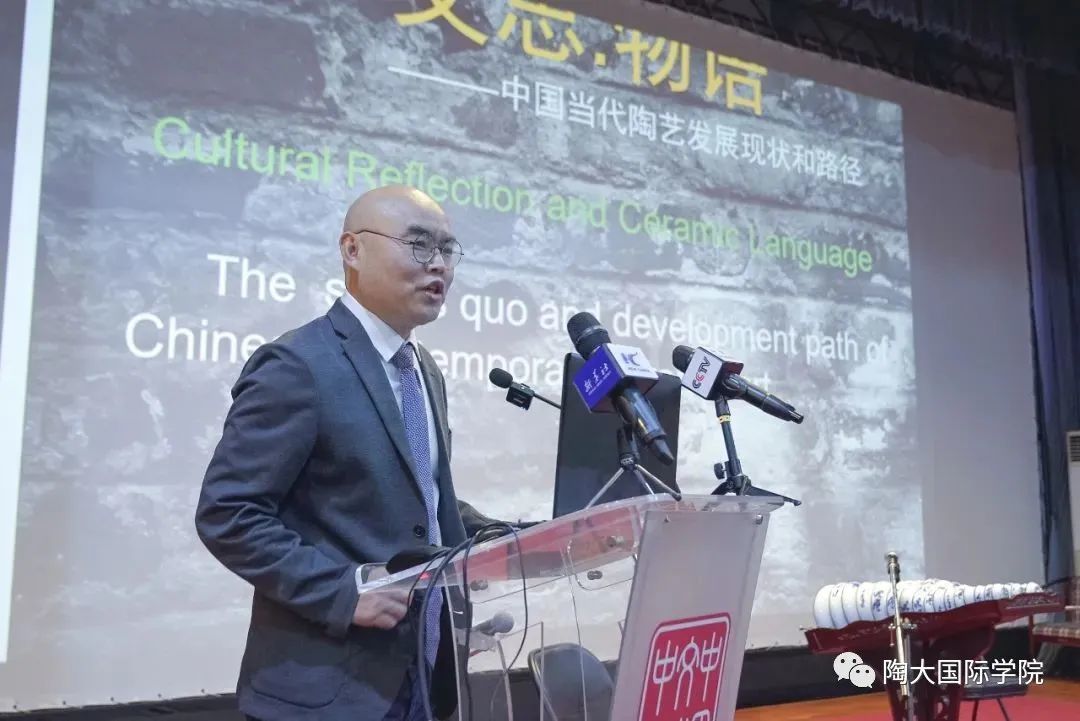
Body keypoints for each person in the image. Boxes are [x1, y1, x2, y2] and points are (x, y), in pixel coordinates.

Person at [195, 185, 495, 721]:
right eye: (419, 245)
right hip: (325, 693)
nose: (439, 265)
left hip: (423, 679)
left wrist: (511, 537)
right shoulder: (298, 364)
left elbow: (421, 503)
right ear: (352, 250)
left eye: (448, 249)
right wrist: (342, 591)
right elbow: (229, 514)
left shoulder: (422, 369)